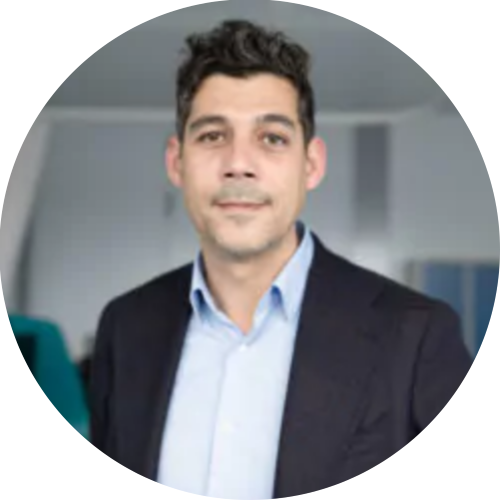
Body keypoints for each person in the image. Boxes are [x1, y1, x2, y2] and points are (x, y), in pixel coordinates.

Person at [89, 19, 472, 499]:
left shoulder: (417, 336)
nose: (238, 164)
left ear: (311, 164)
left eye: (271, 138)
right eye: (212, 136)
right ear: (176, 161)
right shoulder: (125, 327)